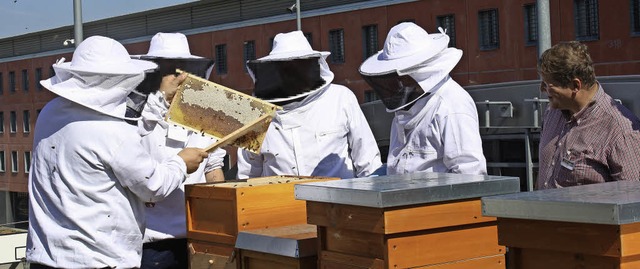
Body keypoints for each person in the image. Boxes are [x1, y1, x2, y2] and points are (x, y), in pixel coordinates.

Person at [26, 36, 208, 269]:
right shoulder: (111, 131)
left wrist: (159, 100)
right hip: (98, 259)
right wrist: (181, 163)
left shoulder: (50, 113)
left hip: (46, 257)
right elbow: (153, 186)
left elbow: (117, 132)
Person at [236, 30, 382, 179]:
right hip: (281, 201)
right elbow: (247, 177)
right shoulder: (255, 115)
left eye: (296, 68)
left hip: (339, 199)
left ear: (310, 66)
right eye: (284, 70)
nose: (291, 76)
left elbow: (368, 161)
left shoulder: (341, 98)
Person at [136, 32, 227, 269]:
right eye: (168, 71)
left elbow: (214, 167)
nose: (177, 78)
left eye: (182, 70)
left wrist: (218, 227)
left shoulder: (205, 113)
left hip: (196, 237)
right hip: (150, 241)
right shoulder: (137, 114)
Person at [359, 22, 486, 175]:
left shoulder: (452, 105)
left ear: (419, 71)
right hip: (403, 197)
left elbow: (469, 173)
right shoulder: (408, 105)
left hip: (437, 198)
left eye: (402, 77)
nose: (399, 83)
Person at [536, 41, 640, 189]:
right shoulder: (552, 112)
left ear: (575, 85)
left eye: (548, 84)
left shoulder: (619, 130)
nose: (542, 89)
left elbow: (633, 198)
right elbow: (544, 176)